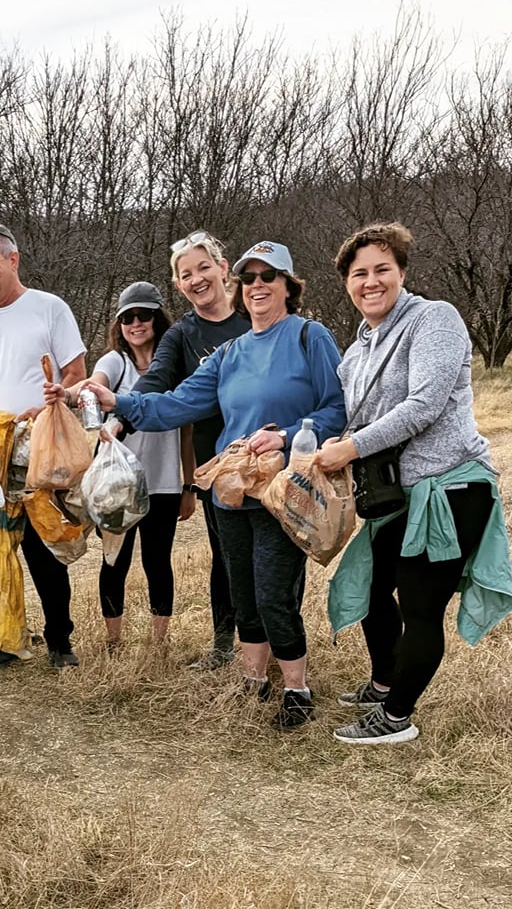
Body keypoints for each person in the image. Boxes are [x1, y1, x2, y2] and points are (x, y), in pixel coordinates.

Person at [71, 241, 346, 728]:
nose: (258, 286)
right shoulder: (229, 353)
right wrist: (117, 402)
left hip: (286, 488)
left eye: (269, 277)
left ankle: (297, 690)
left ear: (288, 285)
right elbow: (176, 403)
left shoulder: (309, 336)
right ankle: (253, 681)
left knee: (273, 593)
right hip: (231, 487)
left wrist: (285, 435)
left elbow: (336, 408)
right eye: (251, 278)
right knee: (242, 590)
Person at [318, 222, 512, 745]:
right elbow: (356, 421)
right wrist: (315, 444)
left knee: (421, 607)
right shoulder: (356, 351)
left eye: (383, 269)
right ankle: (384, 684)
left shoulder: (435, 319)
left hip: (449, 490)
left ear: (402, 273)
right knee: (373, 589)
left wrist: (350, 448)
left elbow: (423, 407)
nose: (371, 281)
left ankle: (396, 717)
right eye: (360, 274)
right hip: (394, 496)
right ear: (347, 283)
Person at [0, 223, 87, 669]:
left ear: (12, 260)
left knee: (44, 548)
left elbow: (75, 371)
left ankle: (59, 642)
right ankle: (2, 641)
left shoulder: (48, 308)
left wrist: (47, 404)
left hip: (38, 449)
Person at [130, 232, 251, 667]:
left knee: (273, 556)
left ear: (223, 268)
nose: (196, 279)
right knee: (226, 557)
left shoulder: (255, 316)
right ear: (178, 285)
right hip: (214, 465)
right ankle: (222, 645)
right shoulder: (182, 334)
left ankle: (276, 646)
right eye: (185, 275)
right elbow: (156, 378)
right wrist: (123, 410)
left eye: (203, 268)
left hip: (266, 457)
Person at [64, 282, 189, 648]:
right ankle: (113, 640)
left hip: (163, 482)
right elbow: (94, 385)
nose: (136, 324)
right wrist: (71, 394)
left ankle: (159, 641)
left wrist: (189, 485)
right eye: (127, 318)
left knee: (158, 562)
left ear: (157, 318)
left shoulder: (175, 368)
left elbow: (185, 431)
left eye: (143, 315)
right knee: (114, 561)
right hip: (116, 486)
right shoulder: (114, 363)